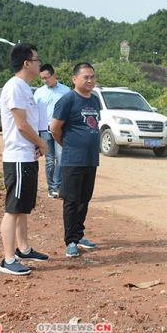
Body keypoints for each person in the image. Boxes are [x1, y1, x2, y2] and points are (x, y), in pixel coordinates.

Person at [0, 43, 50, 275]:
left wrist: (36, 144)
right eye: (37, 60)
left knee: (23, 208)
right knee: (13, 209)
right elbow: (20, 125)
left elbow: (30, 123)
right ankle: (8, 260)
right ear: (27, 63)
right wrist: (41, 143)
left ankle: (23, 248)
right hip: (17, 157)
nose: (39, 63)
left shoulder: (26, 88)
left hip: (27, 156)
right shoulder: (15, 87)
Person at [50, 62, 100, 258]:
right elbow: (54, 128)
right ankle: (70, 241)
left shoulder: (95, 100)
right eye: (86, 77)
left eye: (92, 77)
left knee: (84, 199)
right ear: (75, 79)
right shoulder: (67, 100)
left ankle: (79, 236)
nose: (90, 80)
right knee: (71, 200)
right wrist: (68, 145)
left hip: (91, 159)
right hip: (72, 160)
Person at [34, 64, 70, 198]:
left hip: (61, 130)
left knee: (61, 159)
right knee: (49, 160)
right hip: (44, 129)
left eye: (46, 78)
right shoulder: (39, 93)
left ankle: (57, 186)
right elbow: (35, 113)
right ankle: (51, 188)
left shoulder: (66, 91)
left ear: (54, 75)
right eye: (42, 79)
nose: (44, 81)